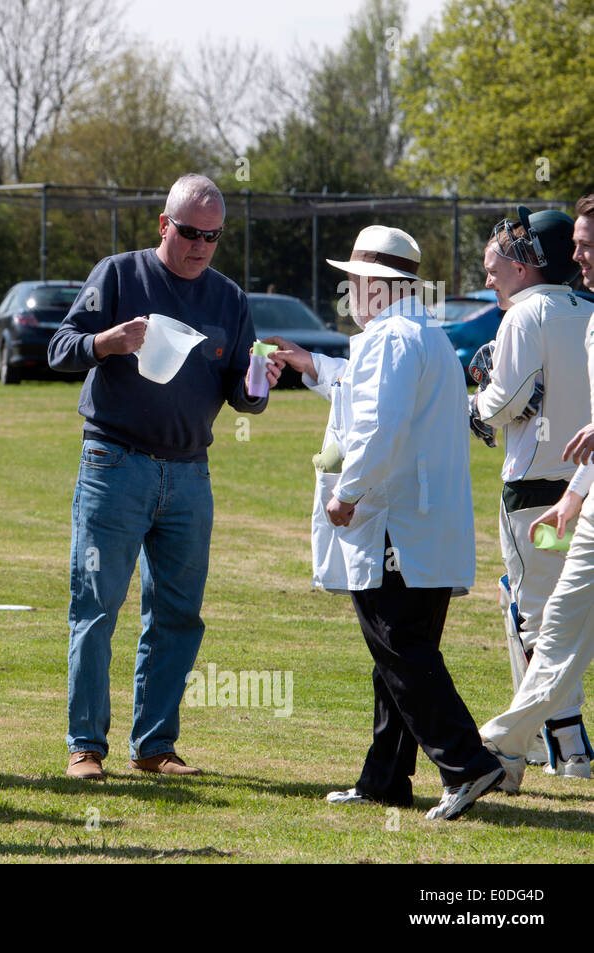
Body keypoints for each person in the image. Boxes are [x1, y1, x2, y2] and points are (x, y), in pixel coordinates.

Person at [267, 225, 505, 821]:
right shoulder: (417, 334)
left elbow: (378, 428)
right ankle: (385, 780)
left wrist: (348, 494)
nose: (348, 286)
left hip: (394, 523)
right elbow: (366, 395)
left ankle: (467, 764)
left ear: (377, 283)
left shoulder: (389, 340)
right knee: (400, 654)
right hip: (422, 522)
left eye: (353, 277)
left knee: (400, 650)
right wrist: (312, 365)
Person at [47, 173, 275, 781]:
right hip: (113, 463)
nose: (200, 245)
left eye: (213, 235)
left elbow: (242, 391)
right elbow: (59, 348)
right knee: (96, 607)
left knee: (177, 614)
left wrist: (257, 389)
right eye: (189, 232)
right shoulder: (120, 275)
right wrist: (106, 342)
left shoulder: (228, 299)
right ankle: (84, 748)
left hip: (189, 473)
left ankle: (154, 745)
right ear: (162, 225)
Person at [468, 207, 594, 777]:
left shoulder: (524, 316)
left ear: (525, 263)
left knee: (532, 616)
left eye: (495, 267)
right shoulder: (586, 309)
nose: (489, 279)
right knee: (556, 616)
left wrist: (477, 403)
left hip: (537, 491)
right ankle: (558, 744)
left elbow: (509, 399)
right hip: (582, 486)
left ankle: (562, 745)